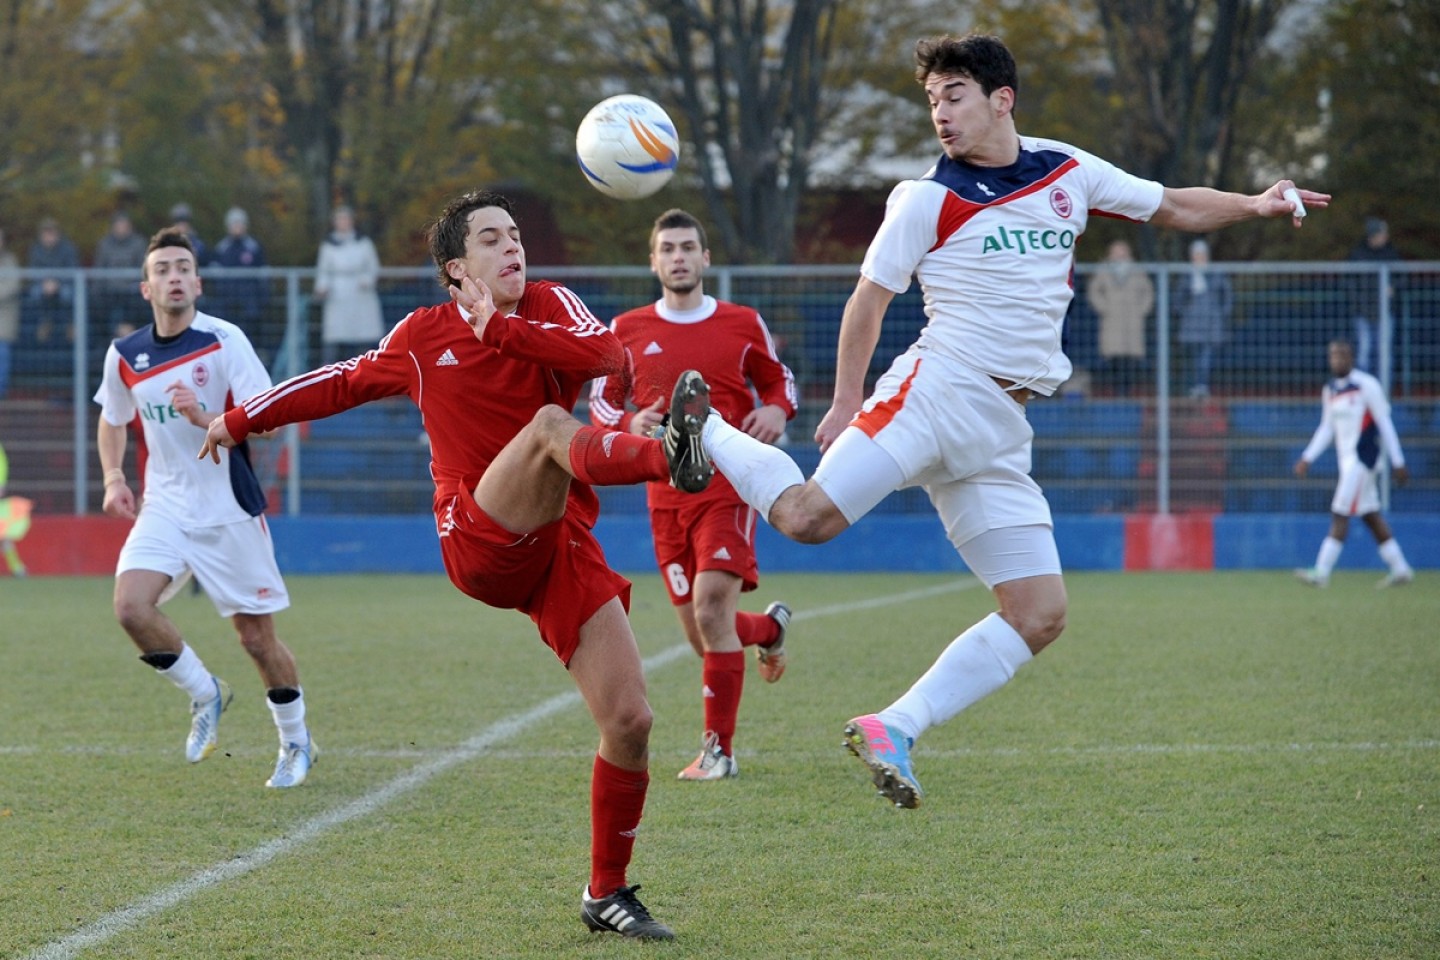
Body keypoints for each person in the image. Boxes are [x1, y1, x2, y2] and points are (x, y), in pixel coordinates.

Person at [688, 32, 1327, 809]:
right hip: (934, 391)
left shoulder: (1066, 168)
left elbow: (1172, 204)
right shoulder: (926, 197)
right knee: (807, 519)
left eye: (953, 95)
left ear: (1002, 99)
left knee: (1040, 613)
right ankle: (704, 428)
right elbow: (870, 299)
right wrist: (849, 399)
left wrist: (1256, 203)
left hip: (1001, 425)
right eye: (932, 101)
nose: (941, 114)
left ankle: (894, 725)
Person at [199, 189, 717, 939]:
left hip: (559, 544)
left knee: (631, 721)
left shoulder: (546, 303)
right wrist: (239, 418)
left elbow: (609, 356)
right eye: (492, 240)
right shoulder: (421, 336)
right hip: (477, 536)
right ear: (455, 268)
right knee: (547, 426)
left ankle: (606, 893)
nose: (514, 249)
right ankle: (670, 458)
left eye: (516, 235)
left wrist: (506, 332)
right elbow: (339, 381)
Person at [94, 228, 316, 789]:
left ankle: (296, 742)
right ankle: (206, 692)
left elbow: (267, 418)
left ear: (198, 281)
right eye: (162, 269)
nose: (173, 276)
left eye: (182, 268)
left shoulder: (224, 340)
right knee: (130, 609)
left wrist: (204, 420)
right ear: (146, 288)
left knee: (256, 641)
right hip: (165, 506)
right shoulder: (125, 355)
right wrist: (115, 476)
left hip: (227, 508)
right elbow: (111, 417)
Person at [590, 208, 798, 781]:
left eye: (688, 248)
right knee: (703, 633)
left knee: (711, 610)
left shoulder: (740, 322)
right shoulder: (627, 329)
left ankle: (718, 752)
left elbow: (779, 380)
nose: (678, 257)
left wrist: (778, 407)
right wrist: (630, 423)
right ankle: (770, 629)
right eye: (668, 249)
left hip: (728, 486)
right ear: (654, 261)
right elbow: (604, 403)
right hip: (664, 495)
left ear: (705, 259)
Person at [1293, 339, 1414, 589]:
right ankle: (1400, 568)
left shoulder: (1366, 385)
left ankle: (1321, 572)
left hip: (1363, 459)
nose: (1337, 360)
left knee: (1340, 512)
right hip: (1346, 462)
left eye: (1342, 355)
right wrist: (1307, 457)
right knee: (1370, 515)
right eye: (1333, 355)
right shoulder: (1330, 390)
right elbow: (1327, 428)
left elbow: (1385, 423)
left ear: (1351, 358)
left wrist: (1398, 460)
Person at [313, 205, 385, 363]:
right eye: (340, 219)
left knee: (364, 338)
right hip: (337, 293)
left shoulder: (364, 242)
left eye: (346, 219)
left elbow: (373, 267)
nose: (343, 223)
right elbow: (323, 270)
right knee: (334, 338)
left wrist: (367, 280)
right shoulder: (328, 245)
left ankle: (366, 373)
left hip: (360, 293)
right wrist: (322, 287)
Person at [1085, 238, 1154, 396]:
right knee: (1113, 359)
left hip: (1132, 321)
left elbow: (1147, 291)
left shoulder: (1137, 270)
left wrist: (1141, 310)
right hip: (1112, 321)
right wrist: (1104, 308)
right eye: (1116, 251)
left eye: (1122, 250)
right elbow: (1094, 291)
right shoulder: (1103, 270)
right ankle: (1117, 393)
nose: (1119, 254)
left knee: (1131, 361)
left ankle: (1127, 392)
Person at [1173, 238, 1232, 399]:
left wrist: (1222, 313)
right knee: (1193, 357)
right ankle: (1195, 386)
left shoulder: (1216, 273)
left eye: (1201, 254)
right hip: (1192, 323)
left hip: (1211, 322)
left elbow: (1226, 295)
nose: (1199, 258)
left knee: (1206, 357)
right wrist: (1184, 312)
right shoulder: (1187, 275)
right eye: (1196, 255)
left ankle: (1202, 386)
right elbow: (1178, 299)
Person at [1345, 217, 1402, 374]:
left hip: (1385, 312)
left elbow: (1401, 277)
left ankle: (1382, 394)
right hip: (1363, 313)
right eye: (1383, 233)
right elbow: (1350, 283)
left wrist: (1394, 288)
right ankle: (1364, 394)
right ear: (1374, 235)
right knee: (1364, 353)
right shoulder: (1358, 254)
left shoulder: (1391, 253)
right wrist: (1358, 304)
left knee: (1385, 355)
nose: (1386, 237)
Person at [210, 207, 269, 332]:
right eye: (234, 224)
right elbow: (215, 274)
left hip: (249, 303)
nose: (237, 227)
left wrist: (262, 296)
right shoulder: (222, 248)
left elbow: (263, 272)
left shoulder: (254, 247)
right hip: (227, 302)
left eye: (240, 223)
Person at [92, 212, 149, 341]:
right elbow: (100, 269)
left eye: (124, 224)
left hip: (132, 292)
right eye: (118, 224)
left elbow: (143, 268)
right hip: (109, 292)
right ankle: (113, 337)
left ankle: (131, 334)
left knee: (137, 304)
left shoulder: (139, 243)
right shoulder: (104, 244)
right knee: (98, 306)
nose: (121, 228)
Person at [24, 218, 80, 348]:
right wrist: (44, 282)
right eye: (46, 233)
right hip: (43, 285)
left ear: (58, 234)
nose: (49, 237)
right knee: (35, 293)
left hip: (63, 284)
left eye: (52, 233)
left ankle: (71, 324)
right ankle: (44, 322)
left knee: (68, 294)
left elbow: (73, 271)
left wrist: (57, 283)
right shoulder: (35, 250)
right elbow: (32, 272)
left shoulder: (68, 248)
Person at [0, 226, 19, 399]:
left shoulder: (10, 261)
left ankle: (1, 396)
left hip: (3, 322)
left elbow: (13, 284)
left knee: (2, 356)